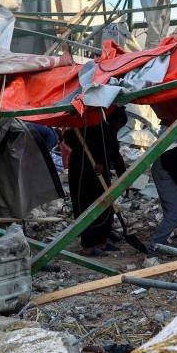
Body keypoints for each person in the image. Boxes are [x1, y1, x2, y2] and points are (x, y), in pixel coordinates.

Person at [62, 109, 127, 256]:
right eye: (117, 125)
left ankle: (102, 241)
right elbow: (68, 137)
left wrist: (124, 177)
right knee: (86, 205)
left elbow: (115, 154)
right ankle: (88, 246)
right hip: (82, 171)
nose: (117, 128)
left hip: (101, 174)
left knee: (105, 205)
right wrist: (88, 157)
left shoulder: (109, 132)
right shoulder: (90, 126)